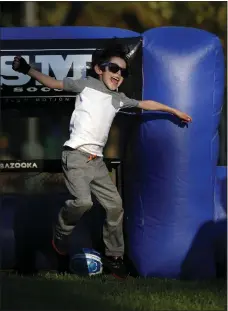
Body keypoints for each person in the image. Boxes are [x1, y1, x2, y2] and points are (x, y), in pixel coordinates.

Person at [12, 42, 192, 279]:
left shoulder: (119, 99)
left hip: (96, 162)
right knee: (83, 202)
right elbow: (54, 83)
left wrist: (173, 111)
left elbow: (145, 104)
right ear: (99, 69)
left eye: (123, 72)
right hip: (76, 156)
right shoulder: (87, 85)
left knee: (115, 205)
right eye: (113, 69)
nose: (118, 75)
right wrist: (26, 70)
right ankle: (59, 237)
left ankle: (114, 256)